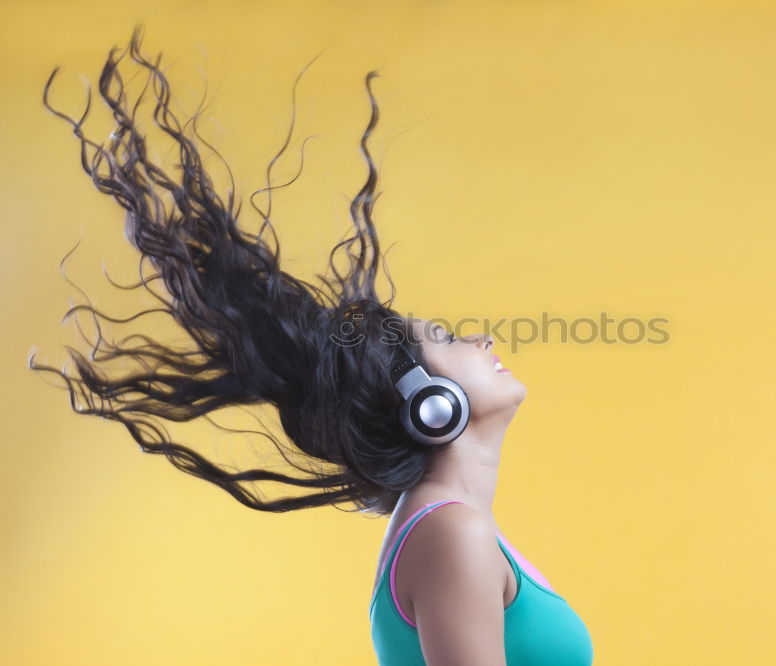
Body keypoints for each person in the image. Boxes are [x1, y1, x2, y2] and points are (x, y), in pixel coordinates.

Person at [29, 23, 593, 665]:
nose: (482, 337)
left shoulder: (448, 524)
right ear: (430, 404)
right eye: (445, 338)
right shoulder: (452, 532)